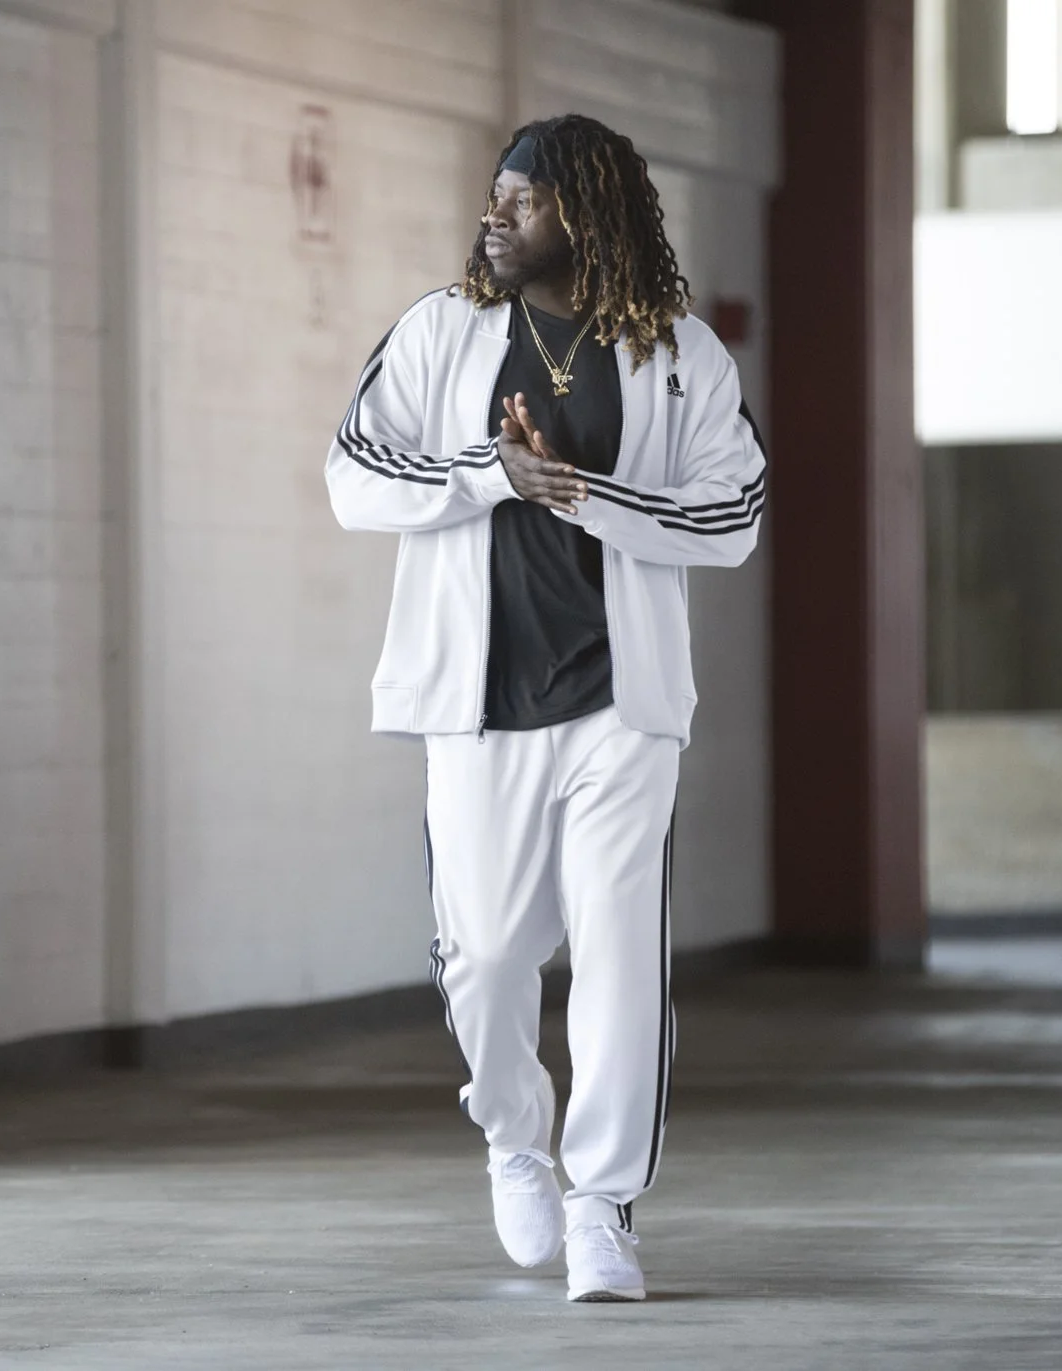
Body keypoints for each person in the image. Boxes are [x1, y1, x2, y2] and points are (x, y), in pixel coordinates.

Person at [324, 114, 766, 1302]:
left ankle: (601, 1205)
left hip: (622, 704)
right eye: (495, 196)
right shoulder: (441, 332)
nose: (496, 216)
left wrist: (584, 496)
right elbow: (353, 474)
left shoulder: (679, 353)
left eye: (521, 200)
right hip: (477, 705)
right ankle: (514, 1134)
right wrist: (491, 472)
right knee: (485, 952)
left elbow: (733, 512)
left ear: (586, 211)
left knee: (619, 957)